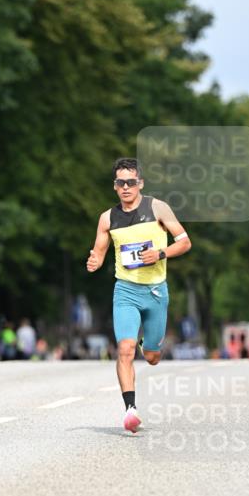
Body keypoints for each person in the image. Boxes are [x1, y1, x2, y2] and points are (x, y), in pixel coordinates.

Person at [86, 157, 192, 433]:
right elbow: (98, 251)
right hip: (126, 291)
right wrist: (95, 261)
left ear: (140, 183)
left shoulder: (158, 208)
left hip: (156, 291)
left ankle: (150, 343)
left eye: (131, 182)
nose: (126, 187)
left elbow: (185, 242)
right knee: (125, 349)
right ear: (114, 186)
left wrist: (161, 253)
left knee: (152, 356)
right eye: (120, 183)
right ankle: (130, 409)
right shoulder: (107, 219)